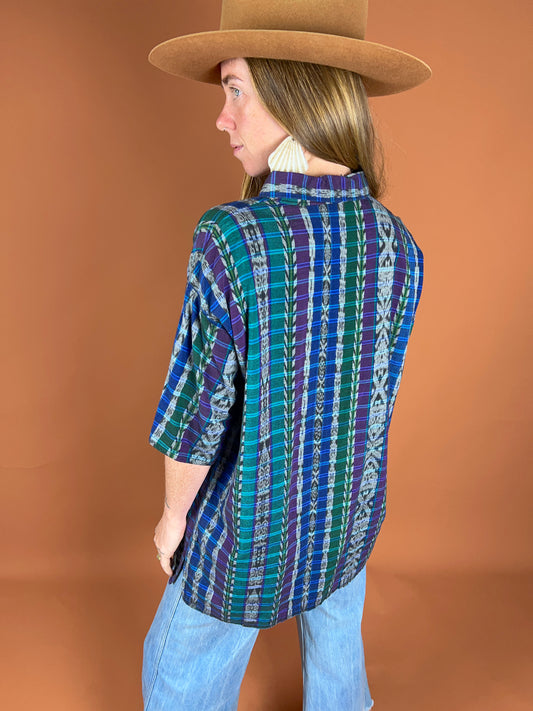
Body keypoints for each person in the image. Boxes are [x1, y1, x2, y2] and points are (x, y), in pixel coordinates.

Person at [142, 1, 431, 709]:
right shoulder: (397, 243)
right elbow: (372, 402)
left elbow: (196, 415)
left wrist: (174, 518)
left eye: (236, 89)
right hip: (348, 519)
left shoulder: (232, 238)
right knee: (337, 658)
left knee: (178, 674)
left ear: (294, 91)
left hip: (248, 532)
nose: (223, 117)